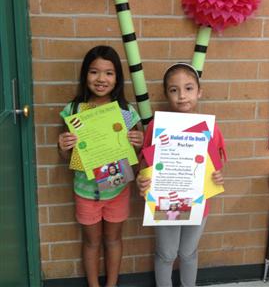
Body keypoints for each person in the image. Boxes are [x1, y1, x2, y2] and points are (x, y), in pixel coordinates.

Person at [58, 45, 144, 287]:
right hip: (85, 190)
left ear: (117, 78)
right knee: (91, 242)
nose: (101, 79)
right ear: (85, 75)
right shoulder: (74, 111)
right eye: (94, 72)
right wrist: (63, 146)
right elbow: (67, 159)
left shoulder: (126, 112)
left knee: (114, 240)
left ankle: (112, 284)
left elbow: (137, 156)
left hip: (117, 190)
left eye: (109, 73)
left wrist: (137, 143)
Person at [136, 63, 227, 287]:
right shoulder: (157, 126)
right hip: (167, 199)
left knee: (188, 252)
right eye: (174, 90)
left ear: (199, 91)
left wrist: (217, 178)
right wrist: (142, 180)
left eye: (188, 88)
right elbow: (145, 165)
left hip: (198, 199)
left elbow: (215, 166)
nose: (182, 96)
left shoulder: (210, 128)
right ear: (166, 93)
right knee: (167, 253)